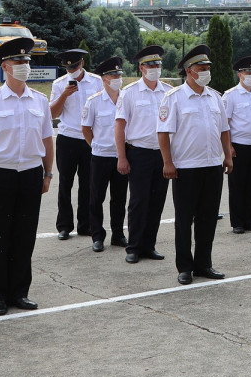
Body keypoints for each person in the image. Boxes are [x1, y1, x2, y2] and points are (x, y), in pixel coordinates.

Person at [0, 37, 55, 315]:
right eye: (19, 61)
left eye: (27, 61)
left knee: (24, 236)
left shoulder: (40, 101)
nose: (25, 65)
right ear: (5, 66)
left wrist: (48, 173)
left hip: (30, 174)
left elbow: (47, 139)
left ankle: (20, 292)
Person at [159, 44, 232, 285]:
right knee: (184, 220)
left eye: (208, 68)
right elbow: (163, 132)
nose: (206, 72)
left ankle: (204, 264)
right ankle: (185, 267)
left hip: (212, 166)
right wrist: (167, 162)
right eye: (202, 68)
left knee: (208, 218)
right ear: (190, 71)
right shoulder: (174, 98)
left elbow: (224, 129)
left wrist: (228, 156)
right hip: (186, 167)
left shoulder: (215, 97)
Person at [115, 45, 172, 264]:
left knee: (157, 202)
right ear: (141, 68)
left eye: (158, 64)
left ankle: (149, 245)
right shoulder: (129, 93)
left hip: (162, 154)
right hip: (138, 153)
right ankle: (134, 247)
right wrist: (122, 157)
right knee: (139, 202)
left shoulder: (167, 92)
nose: (155, 68)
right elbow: (120, 126)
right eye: (150, 65)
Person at [49, 48, 102, 240]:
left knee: (88, 183)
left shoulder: (97, 82)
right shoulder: (59, 84)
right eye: (68, 68)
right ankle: (64, 226)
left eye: (75, 66)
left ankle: (85, 224)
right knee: (65, 183)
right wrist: (64, 95)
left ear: (82, 64)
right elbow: (52, 115)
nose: (72, 70)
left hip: (90, 139)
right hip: (67, 138)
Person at [80, 57, 128, 252]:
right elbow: (86, 128)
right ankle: (97, 236)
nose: (117, 78)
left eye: (119, 74)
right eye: (113, 75)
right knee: (96, 198)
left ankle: (118, 234)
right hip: (100, 156)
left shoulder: (126, 99)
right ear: (104, 79)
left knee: (120, 198)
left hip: (121, 156)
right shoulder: (94, 102)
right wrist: (96, 145)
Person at [224, 56, 251, 233]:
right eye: (248, 72)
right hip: (238, 146)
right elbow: (225, 124)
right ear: (239, 74)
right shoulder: (230, 95)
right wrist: (229, 147)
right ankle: (237, 222)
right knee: (237, 185)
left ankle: (250, 219)